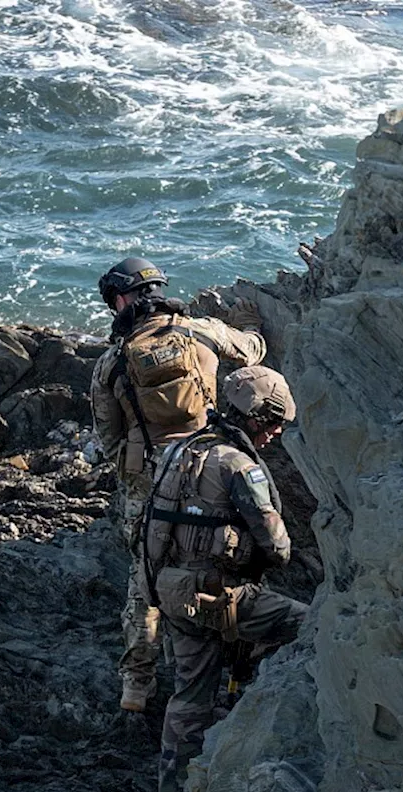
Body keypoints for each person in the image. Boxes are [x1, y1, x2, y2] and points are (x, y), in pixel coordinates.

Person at [89, 257, 268, 713]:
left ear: (122, 300)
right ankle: (228, 664)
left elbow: (108, 438)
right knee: (220, 562)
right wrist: (249, 325)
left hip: (147, 479)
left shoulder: (112, 360)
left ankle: (137, 683)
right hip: (209, 470)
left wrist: (136, 477)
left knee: (144, 580)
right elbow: (251, 352)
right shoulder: (202, 331)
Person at [142, 365, 309, 792]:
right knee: (310, 626)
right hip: (223, 598)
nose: (275, 432)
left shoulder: (177, 450)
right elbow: (278, 549)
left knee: (189, 697)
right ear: (255, 417)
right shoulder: (240, 466)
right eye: (273, 421)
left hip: (173, 594)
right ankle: (252, 733)